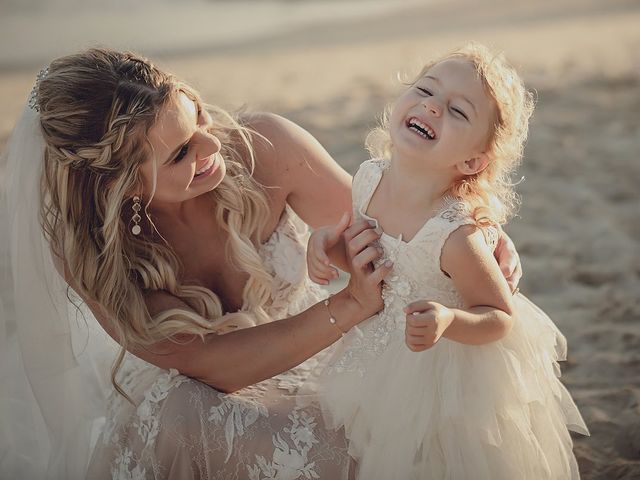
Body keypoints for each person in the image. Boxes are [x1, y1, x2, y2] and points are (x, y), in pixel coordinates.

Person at [0, 48, 521, 480]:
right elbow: (208, 368)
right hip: (200, 391)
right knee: (179, 412)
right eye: (180, 153)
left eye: (197, 115)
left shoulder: (265, 146)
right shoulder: (87, 249)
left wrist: (479, 237)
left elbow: (398, 233)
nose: (211, 146)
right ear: (120, 186)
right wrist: (349, 303)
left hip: (317, 361)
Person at [306, 43, 589, 480]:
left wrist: (448, 321)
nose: (432, 107)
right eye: (425, 89)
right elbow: (373, 259)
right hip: (380, 351)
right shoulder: (368, 179)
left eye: (457, 112)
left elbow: (498, 316)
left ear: (473, 160)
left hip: (445, 372)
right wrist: (327, 246)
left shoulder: (455, 235)